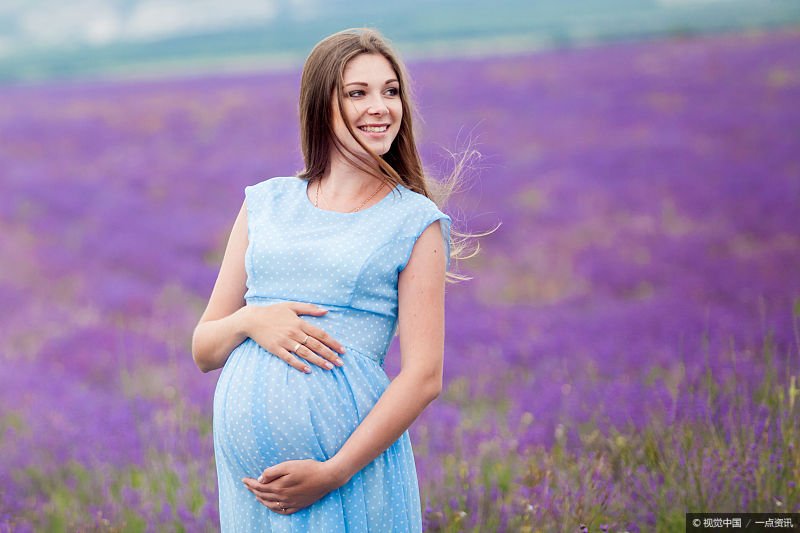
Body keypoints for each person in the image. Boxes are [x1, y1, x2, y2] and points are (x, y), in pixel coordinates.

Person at [192, 27, 475, 532]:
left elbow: (423, 377)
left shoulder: (414, 221)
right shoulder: (265, 203)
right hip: (253, 495)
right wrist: (253, 320)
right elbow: (204, 348)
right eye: (357, 93)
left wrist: (333, 471)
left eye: (391, 92)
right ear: (321, 105)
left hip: (347, 477)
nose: (380, 107)